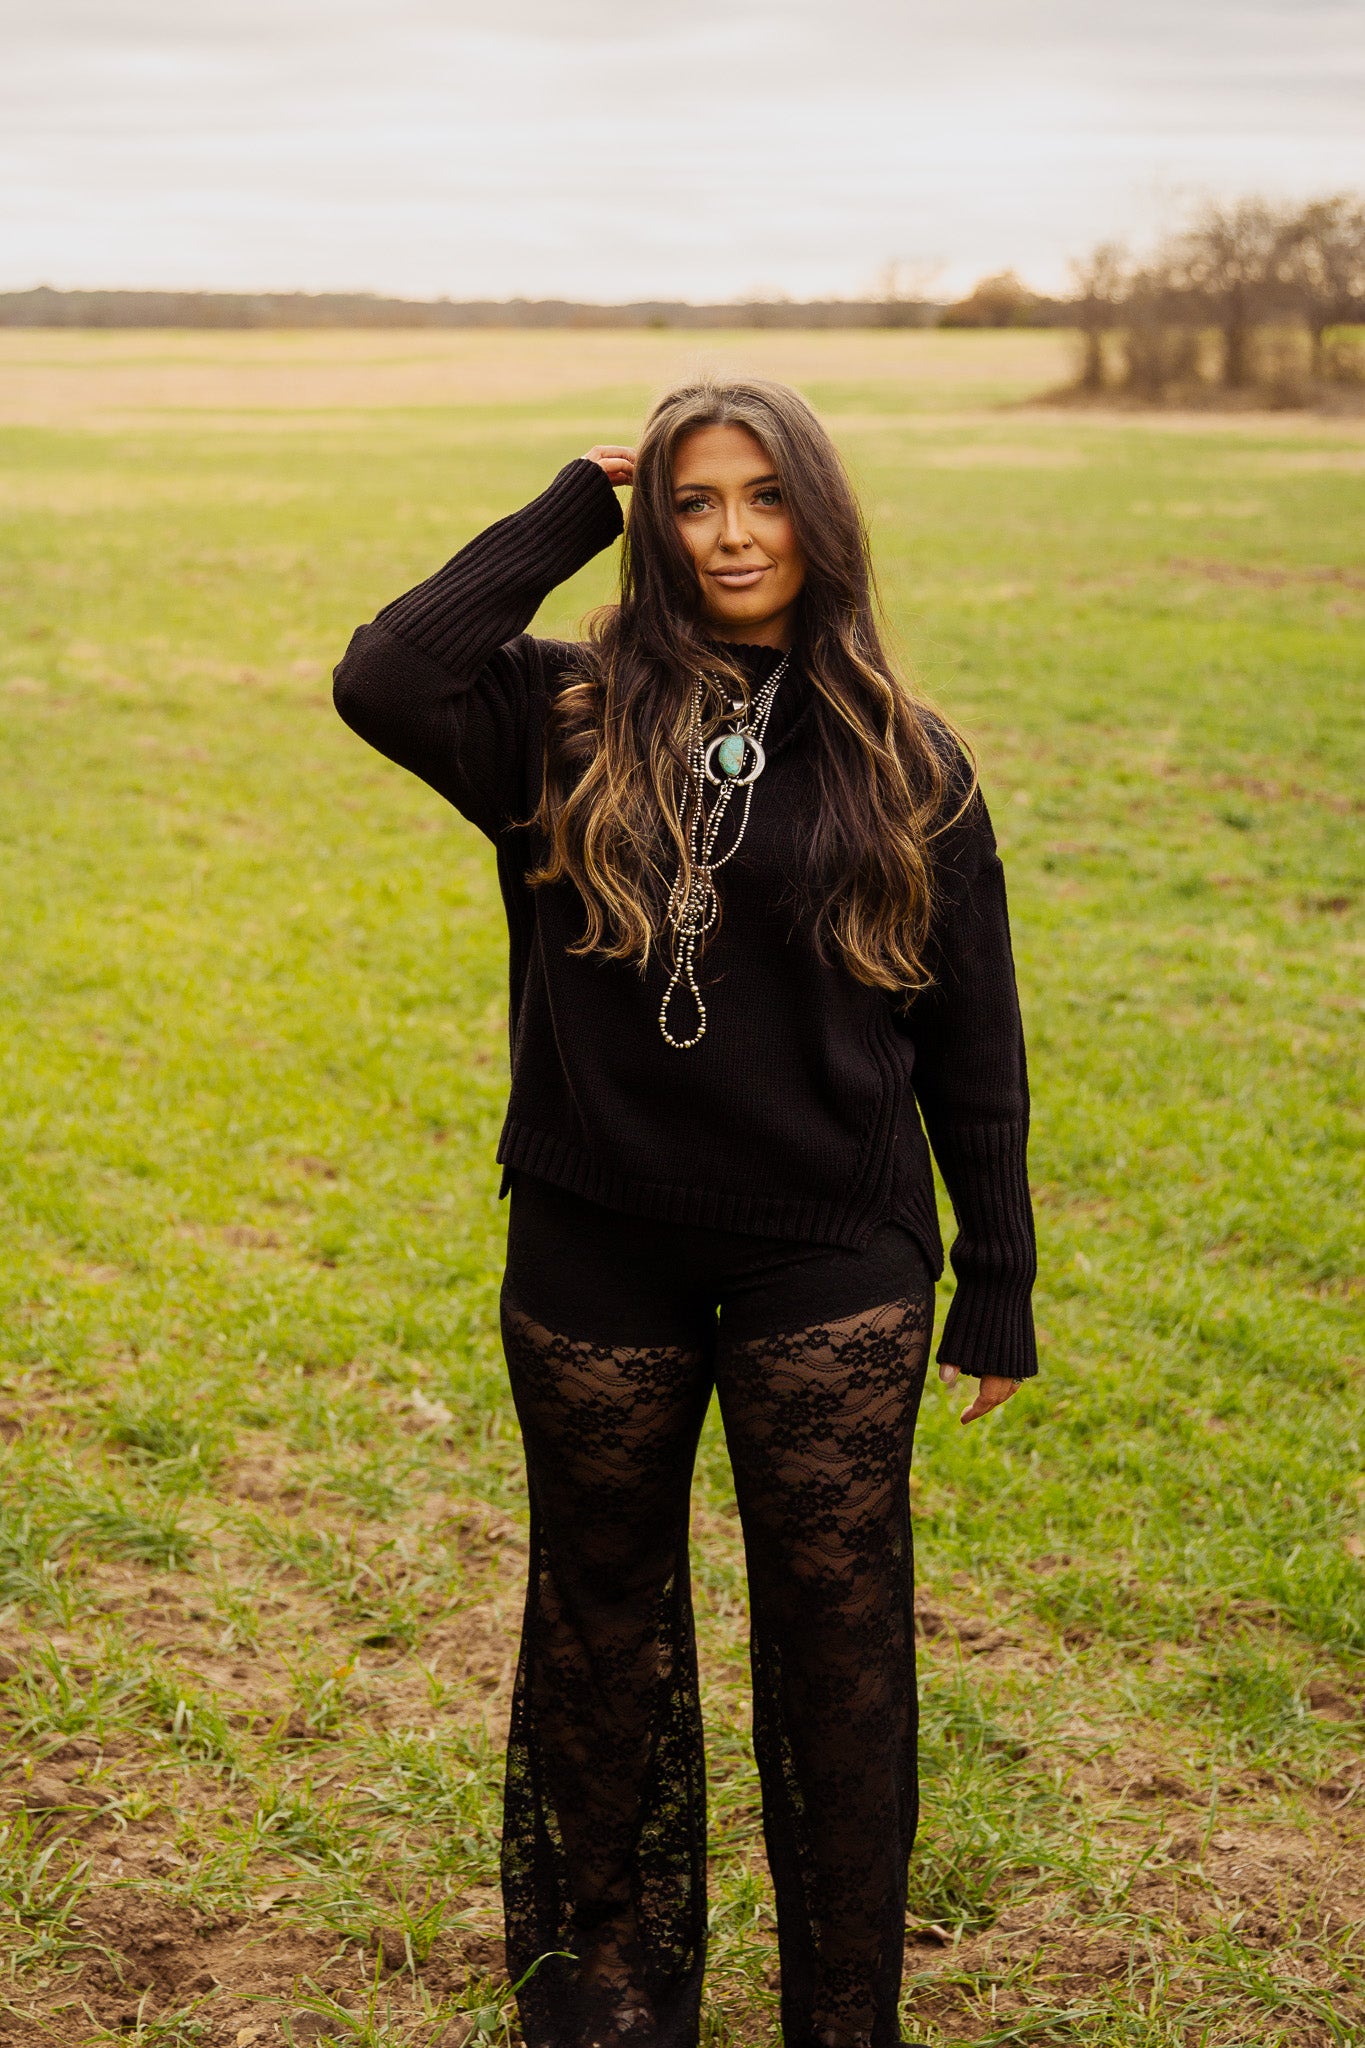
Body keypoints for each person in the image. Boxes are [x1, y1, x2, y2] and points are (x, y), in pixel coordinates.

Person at [333, 378, 1037, 2048]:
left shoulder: (906, 755)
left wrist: (997, 1272)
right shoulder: (551, 714)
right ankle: (609, 2000)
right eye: (694, 501)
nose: (730, 536)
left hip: (829, 1248)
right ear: (654, 525)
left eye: (764, 497)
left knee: (837, 1650)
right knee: (599, 1633)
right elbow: (384, 673)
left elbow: (971, 1030)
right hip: (597, 1233)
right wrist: (570, 505)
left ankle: (841, 2017)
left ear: (820, 519)